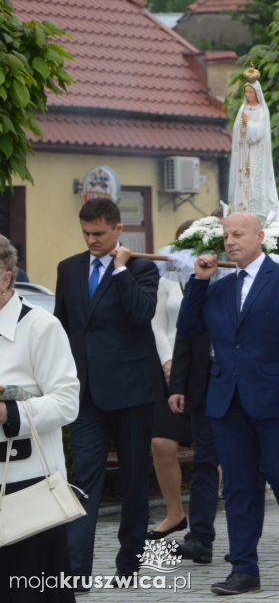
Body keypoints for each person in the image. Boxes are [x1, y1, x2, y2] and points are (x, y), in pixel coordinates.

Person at [177, 212, 279, 594]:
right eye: (226, 235)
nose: (230, 241)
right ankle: (245, 568)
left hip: (277, 402)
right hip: (227, 401)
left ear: (260, 236)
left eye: (238, 234)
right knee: (238, 487)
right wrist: (200, 282)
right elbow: (189, 329)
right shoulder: (219, 287)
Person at [55, 198, 161, 586]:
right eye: (85, 233)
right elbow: (62, 327)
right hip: (85, 394)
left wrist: (120, 270)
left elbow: (141, 314)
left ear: (119, 230)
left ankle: (130, 565)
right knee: (83, 479)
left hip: (133, 393)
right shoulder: (68, 269)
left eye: (98, 233)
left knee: (134, 479)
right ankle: (76, 570)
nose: (91, 240)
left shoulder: (141, 268)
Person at [0, 234, 80, 603]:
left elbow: (67, 403)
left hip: (28, 486)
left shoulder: (41, 327)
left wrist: (8, 411)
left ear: (6, 277)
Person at [148, 221, 192, 542]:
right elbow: (158, 325)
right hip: (171, 370)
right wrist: (167, 361)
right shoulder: (167, 277)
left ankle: (211, 520)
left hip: (205, 371)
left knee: (213, 450)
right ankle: (175, 513)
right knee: (161, 443)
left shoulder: (220, 274)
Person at [166, 325, 220, 565]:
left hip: (248, 378)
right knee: (204, 461)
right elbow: (186, 332)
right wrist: (177, 385)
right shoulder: (198, 286)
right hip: (204, 380)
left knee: (249, 465)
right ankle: (200, 539)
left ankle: (246, 541)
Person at [228, 69, 279, 220]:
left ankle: (256, 209)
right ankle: (242, 207)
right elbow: (237, 130)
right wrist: (241, 125)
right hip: (243, 152)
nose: (248, 95)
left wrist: (247, 123)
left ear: (256, 93)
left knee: (254, 181)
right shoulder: (242, 109)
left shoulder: (262, 111)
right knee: (243, 181)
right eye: (246, 92)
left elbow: (258, 134)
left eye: (250, 92)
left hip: (256, 154)